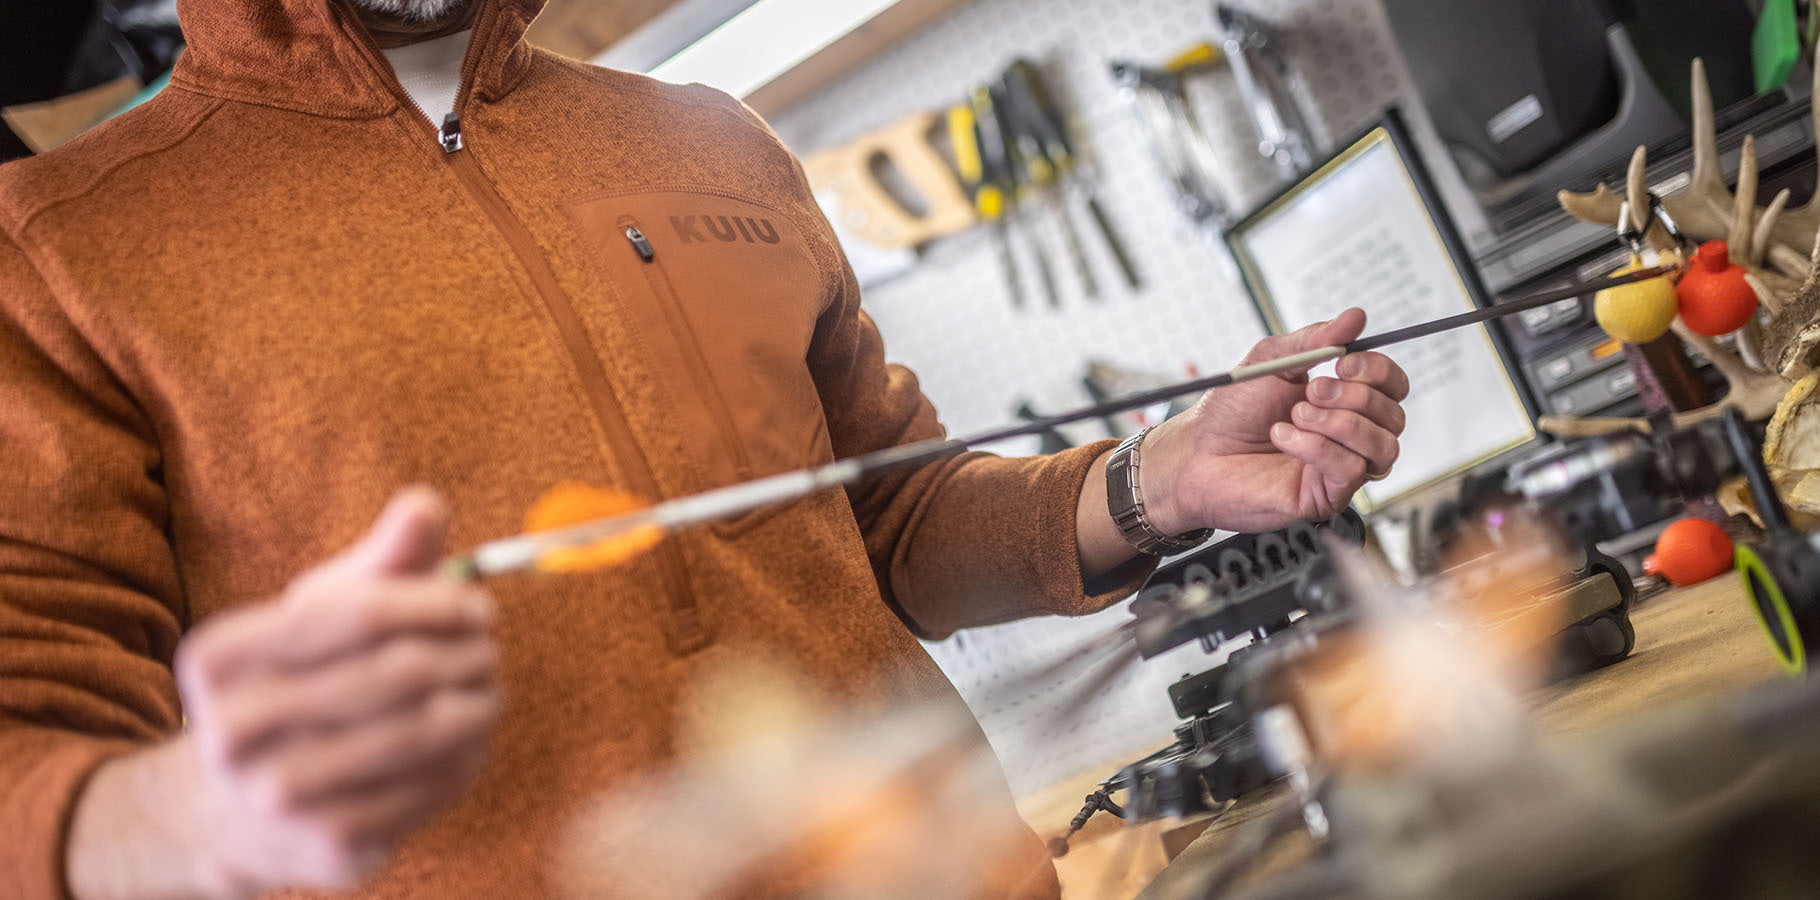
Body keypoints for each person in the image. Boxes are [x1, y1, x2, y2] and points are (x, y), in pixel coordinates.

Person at [0, 1, 1409, 897]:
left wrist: (1158, 478)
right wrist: (195, 815)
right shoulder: (60, 250)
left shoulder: (708, 140)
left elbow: (891, 524)